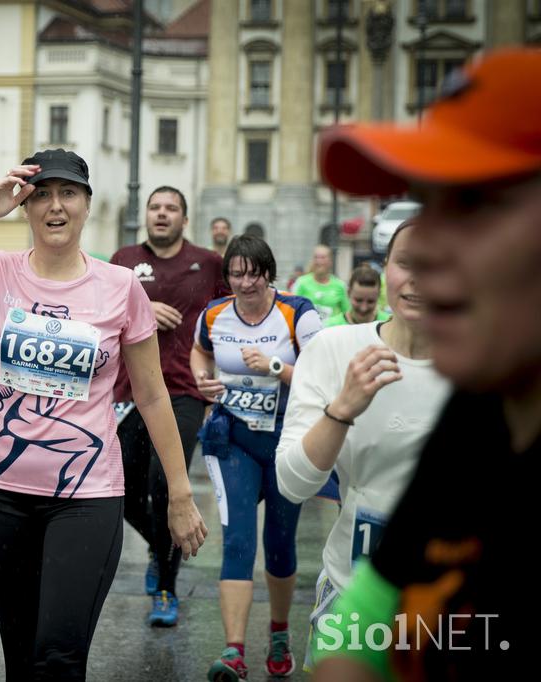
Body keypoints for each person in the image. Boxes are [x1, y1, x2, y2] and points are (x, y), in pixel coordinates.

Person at [0, 149, 207, 679]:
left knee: (60, 657)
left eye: (68, 193)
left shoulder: (119, 286)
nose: (55, 206)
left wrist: (180, 494)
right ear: (26, 205)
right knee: (20, 659)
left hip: (86, 499)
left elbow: (153, 396)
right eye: (41, 195)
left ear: (87, 204)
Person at [309, 47, 540, 682]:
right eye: (428, 205)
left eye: (474, 206)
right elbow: (359, 633)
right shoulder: (482, 413)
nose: (424, 252)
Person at [275, 220, 449, 671]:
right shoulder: (334, 350)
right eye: (407, 263)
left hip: (452, 602)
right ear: (385, 267)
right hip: (353, 590)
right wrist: (343, 408)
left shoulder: (489, 365)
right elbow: (293, 483)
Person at [190, 235, 323, 681]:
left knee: (280, 546)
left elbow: (324, 373)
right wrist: (202, 380)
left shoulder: (297, 312)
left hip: (287, 442)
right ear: (226, 275)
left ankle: (281, 632)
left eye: (253, 273)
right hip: (234, 441)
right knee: (238, 542)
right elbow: (200, 352)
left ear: (269, 273)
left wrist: (275, 367)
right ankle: (233, 651)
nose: (245, 282)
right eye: (236, 273)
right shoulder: (214, 315)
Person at [110, 185, 228, 626]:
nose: (162, 214)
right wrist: (141, 306)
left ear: (184, 217)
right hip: (131, 390)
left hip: (182, 389)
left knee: (164, 485)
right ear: (145, 214)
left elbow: (228, 314)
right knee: (119, 489)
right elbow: (100, 313)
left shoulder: (209, 262)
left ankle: (166, 589)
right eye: (155, 208)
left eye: (171, 208)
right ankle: (161, 548)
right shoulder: (123, 260)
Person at [323, 263, 390, 327]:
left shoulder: (389, 325)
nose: (364, 308)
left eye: (370, 301)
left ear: (378, 295)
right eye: (358, 300)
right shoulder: (331, 327)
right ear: (348, 293)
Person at [293, 245, 349, 321]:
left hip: (333, 331)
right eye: (316, 257)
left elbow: (348, 312)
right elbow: (292, 309)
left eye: (323, 258)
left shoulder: (340, 285)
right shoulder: (301, 283)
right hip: (309, 331)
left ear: (330, 261)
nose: (319, 261)